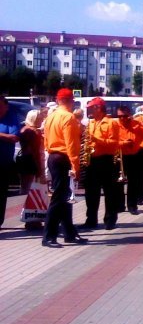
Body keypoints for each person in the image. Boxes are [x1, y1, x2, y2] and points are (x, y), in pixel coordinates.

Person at [42, 89, 87, 247]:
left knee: (66, 197)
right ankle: (48, 236)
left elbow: (46, 140)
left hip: (54, 156)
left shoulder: (51, 116)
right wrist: (75, 166)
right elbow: (72, 144)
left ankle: (69, 233)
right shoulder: (68, 117)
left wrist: (50, 152)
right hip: (63, 158)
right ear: (70, 100)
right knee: (59, 198)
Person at [83, 97, 121, 230]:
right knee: (91, 192)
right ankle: (91, 219)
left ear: (98, 108)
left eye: (91, 108)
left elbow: (114, 143)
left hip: (107, 160)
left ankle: (110, 219)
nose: (89, 110)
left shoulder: (111, 123)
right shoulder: (91, 123)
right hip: (92, 160)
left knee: (110, 191)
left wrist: (96, 139)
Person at [116, 105, 143, 215]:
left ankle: (132, 206)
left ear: (129, 115)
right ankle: (120, 205)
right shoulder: (115, 125)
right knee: (119, 182)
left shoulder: (136, 124)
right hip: (120, 155)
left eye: (125, 116)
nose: (122, 118)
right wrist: (123, 143)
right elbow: (112, 141)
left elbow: (142, 136)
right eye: (120, 116)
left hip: (134, 156)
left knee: (134, 182)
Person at [0, 95, 21, 227]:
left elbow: (14, 137)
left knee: (1, 194)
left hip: (3, 163)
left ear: (6, 106)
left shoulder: (11, 118)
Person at [18, 109, 45, 195]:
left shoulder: (23, 128)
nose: (42, 120)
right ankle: (27, 206)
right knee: (30, 187)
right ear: (35, 119)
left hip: (22, 158)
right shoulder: (35, 131)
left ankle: (21, 204)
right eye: (40, 118)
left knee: (23, 186)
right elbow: (35, 151)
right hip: (31, 160)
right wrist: (39, 168)